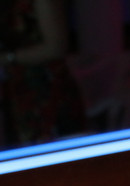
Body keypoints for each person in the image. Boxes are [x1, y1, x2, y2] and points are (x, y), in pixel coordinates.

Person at [0, 0, 85, 146]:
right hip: (17, 91)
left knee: (56, 150)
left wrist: (8, 58)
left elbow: (56, 47)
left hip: (46, 89)